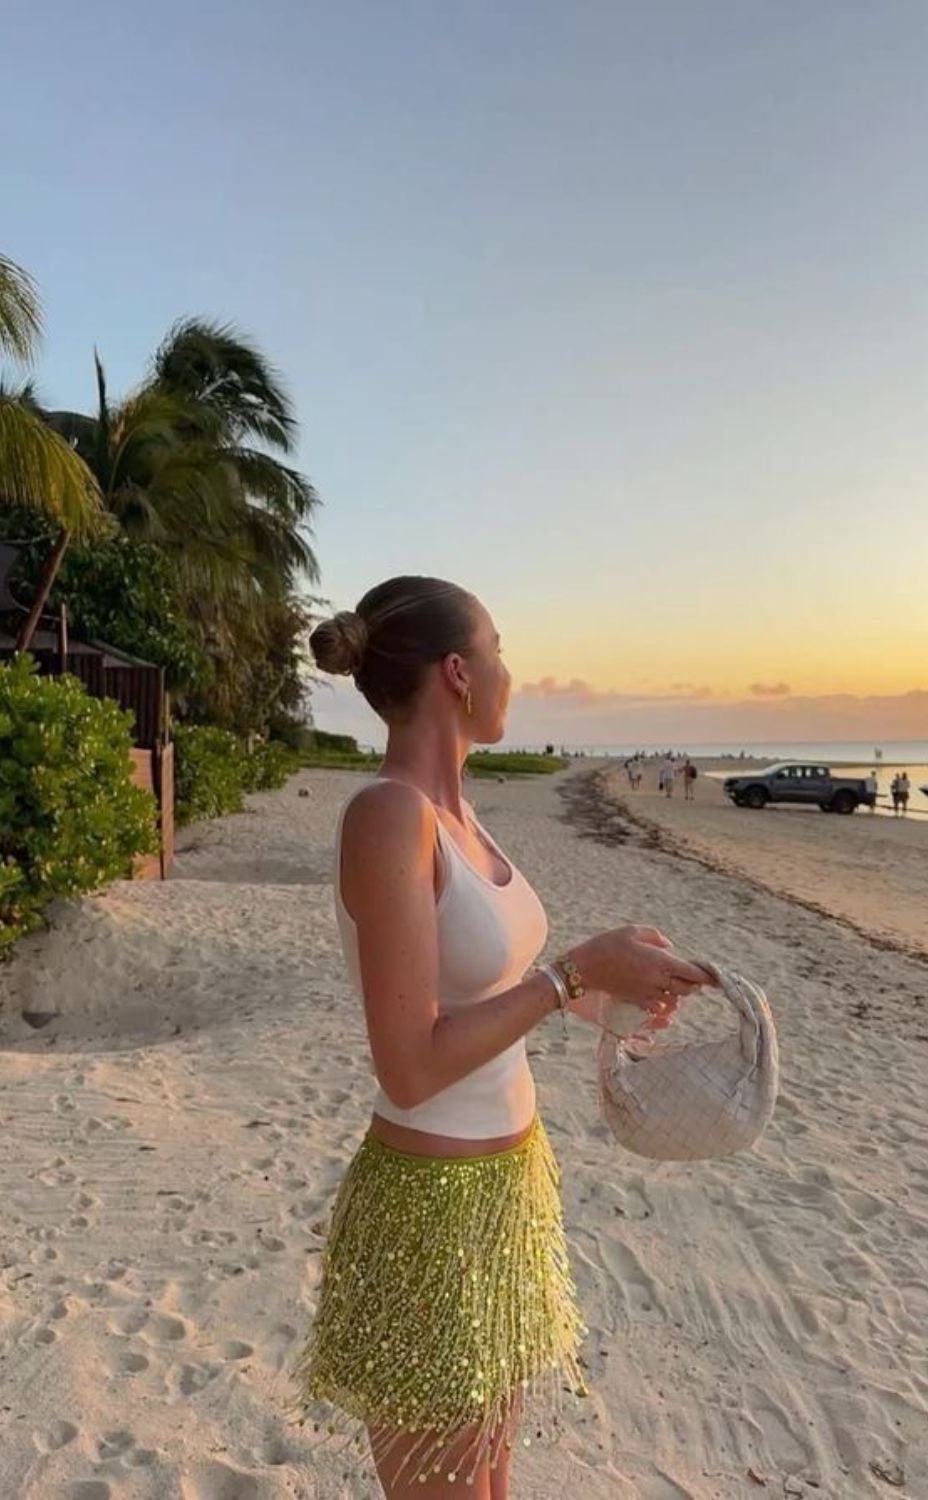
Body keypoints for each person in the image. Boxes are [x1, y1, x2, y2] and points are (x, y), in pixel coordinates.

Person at [293, 577, 709, 1498]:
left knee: (490, 1481)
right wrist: (569, 976)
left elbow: (488, 998)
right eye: (499, 649)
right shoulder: (388, 816)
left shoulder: (465, 816)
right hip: (427, 1211)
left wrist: (611, 991)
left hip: (508, 1187)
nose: (509, 671)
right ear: (457, 673)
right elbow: (409, 1065)